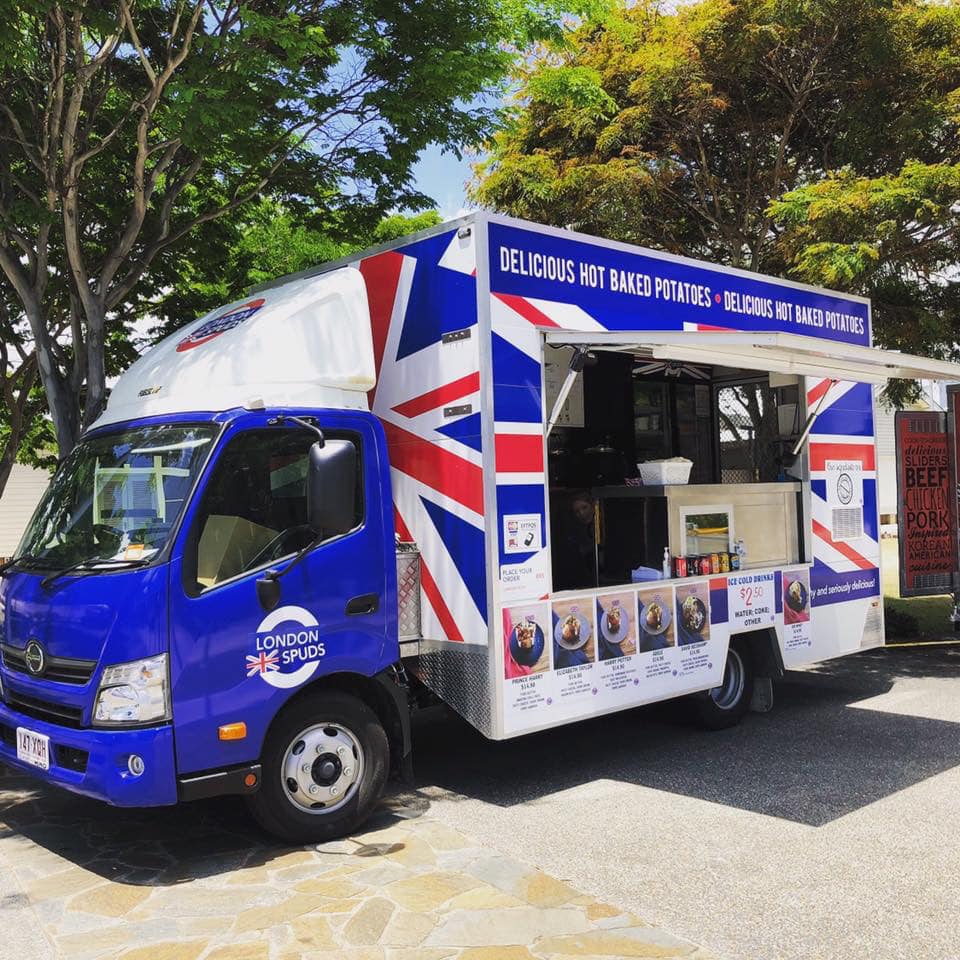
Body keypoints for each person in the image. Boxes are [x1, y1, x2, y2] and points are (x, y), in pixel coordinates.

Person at [551, 490, 598, 590]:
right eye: (577, 511)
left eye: (584, 507)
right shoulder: (575, 531)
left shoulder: (602, 525)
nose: (581, 513)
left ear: (593, 505)